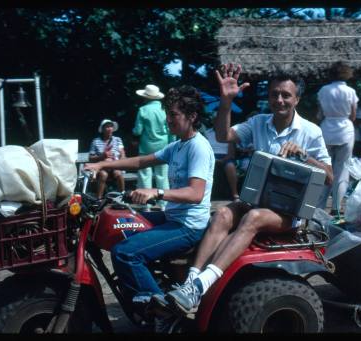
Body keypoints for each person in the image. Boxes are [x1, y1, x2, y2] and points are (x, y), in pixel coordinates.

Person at [163, 63, 333, 315]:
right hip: (256, 201)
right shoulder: (259, 123)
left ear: (297, 98)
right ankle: (191, 283)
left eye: (286, 95)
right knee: (221, 213)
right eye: (274, 94)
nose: (279, 100)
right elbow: (222, 136)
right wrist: (226, 101)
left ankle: (202, 285)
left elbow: (330, 177)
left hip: (289, 214)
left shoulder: (311, 132)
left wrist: (305, 156)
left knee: (252, 218)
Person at [84, 86, 215, 332]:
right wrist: (102, 163)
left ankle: (165, 314)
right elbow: (143, 160)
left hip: (188, 225)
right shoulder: (178, 145)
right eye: (168, 113)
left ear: (192, 117)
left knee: (126, 253)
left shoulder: (198, 147)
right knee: (118, 226)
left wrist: (157, 191)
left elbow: (196, 194)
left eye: (173, 114)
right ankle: (146, 293)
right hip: (172, 216)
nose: (168, 119)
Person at [316, 61, 359, 216]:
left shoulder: (323, 90)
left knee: (324, 169)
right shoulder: (350, 92)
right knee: (342, 170)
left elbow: (319, 114)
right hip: (345, 131)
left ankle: (318, 206)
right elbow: (353, 115)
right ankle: (336, 207)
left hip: (326, 130)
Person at [133, 84, 175, 210]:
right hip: (163, 146)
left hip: (146, 147)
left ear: (146, 97)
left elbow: (137, 131)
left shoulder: (143, 110)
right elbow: (170, 130)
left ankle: (146, 206)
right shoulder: (164, 110)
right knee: (162, 176)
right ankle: (164, 205)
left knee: (145, 176)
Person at [89, 119, 126, 199]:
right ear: (102, 129)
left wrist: (121, 160)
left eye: (111, 127)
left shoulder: (118, 140)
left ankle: (123, 198)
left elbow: (122, 153)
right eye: (107, 127)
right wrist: (102, 156)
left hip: (115, 165)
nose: (109, 129)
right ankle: (98, 199)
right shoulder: (95, 141)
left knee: (119, 174)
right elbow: (90, 158)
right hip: (102, 167)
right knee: (103, 174)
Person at [204, 119, 240, 201]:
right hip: (210, 157)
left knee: (230, 166)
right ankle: (204, 194)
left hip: (225, 157)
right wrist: (212, 159)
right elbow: (205, 149)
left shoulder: (230, 133)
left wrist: (222, 160)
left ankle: (235, 194)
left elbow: (231, 153)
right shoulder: (207, 133)